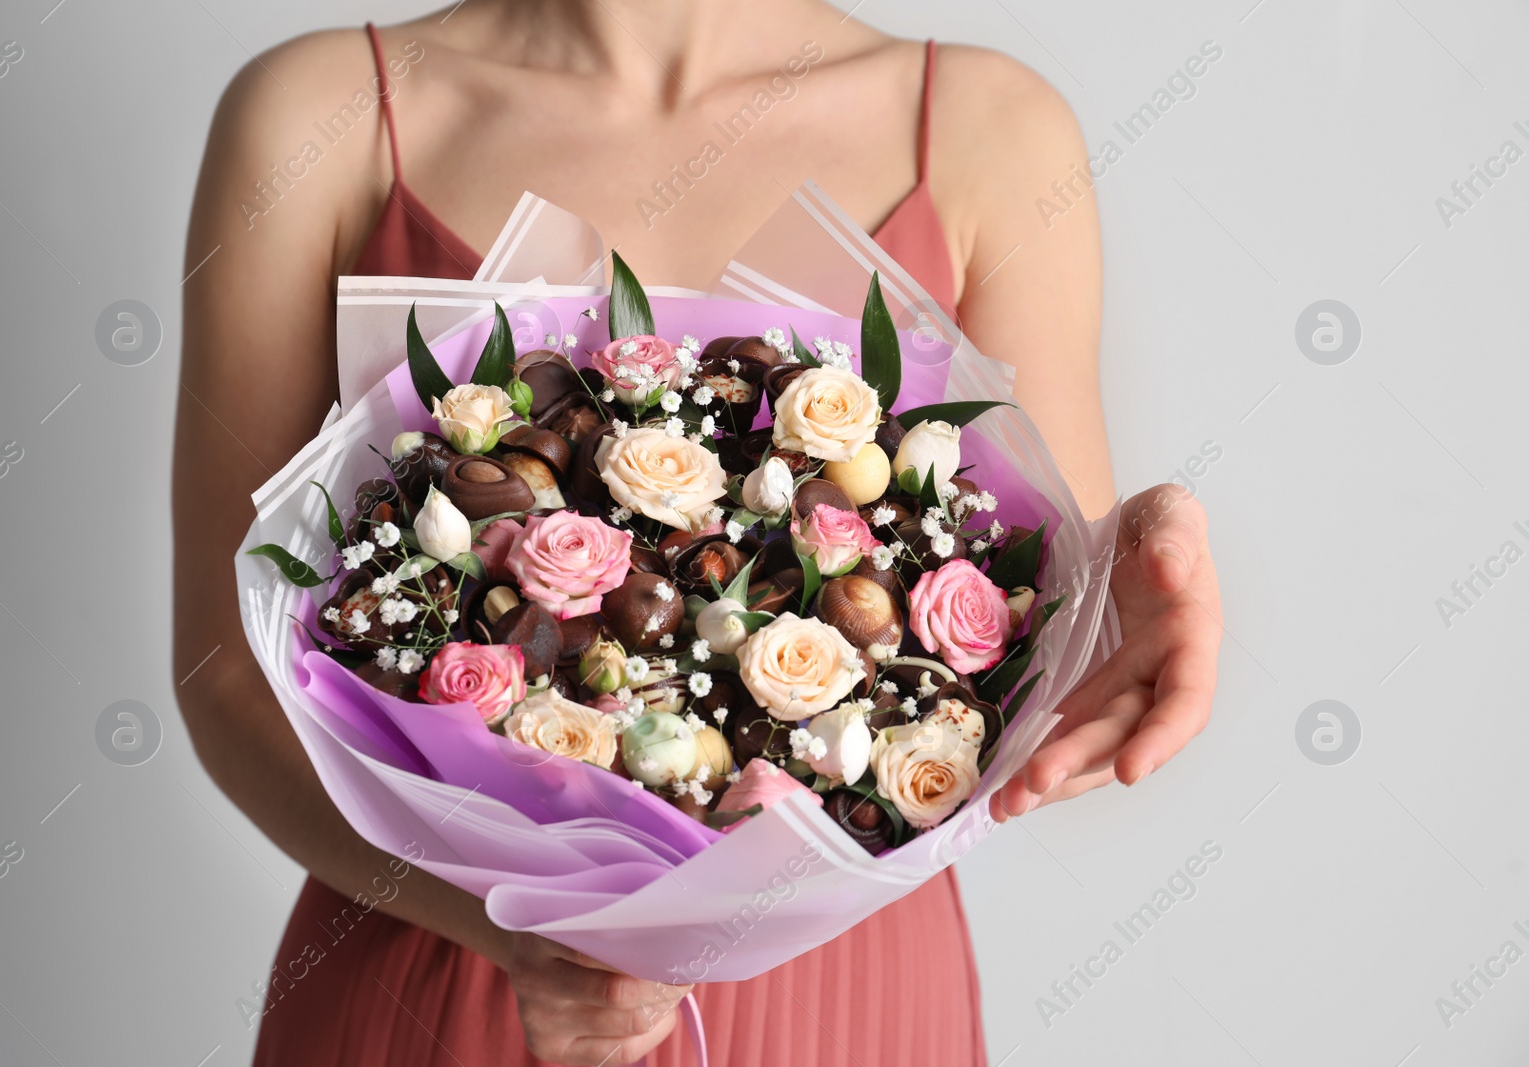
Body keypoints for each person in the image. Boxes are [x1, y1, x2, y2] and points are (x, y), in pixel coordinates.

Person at [173, 2, 1223, 1063]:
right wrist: (515, 936)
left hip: (841, 1002)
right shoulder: (322, 113)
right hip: (442, 977)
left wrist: (1138, 561)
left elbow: (1048, 628)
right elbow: (225, 674)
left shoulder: (987, 127)